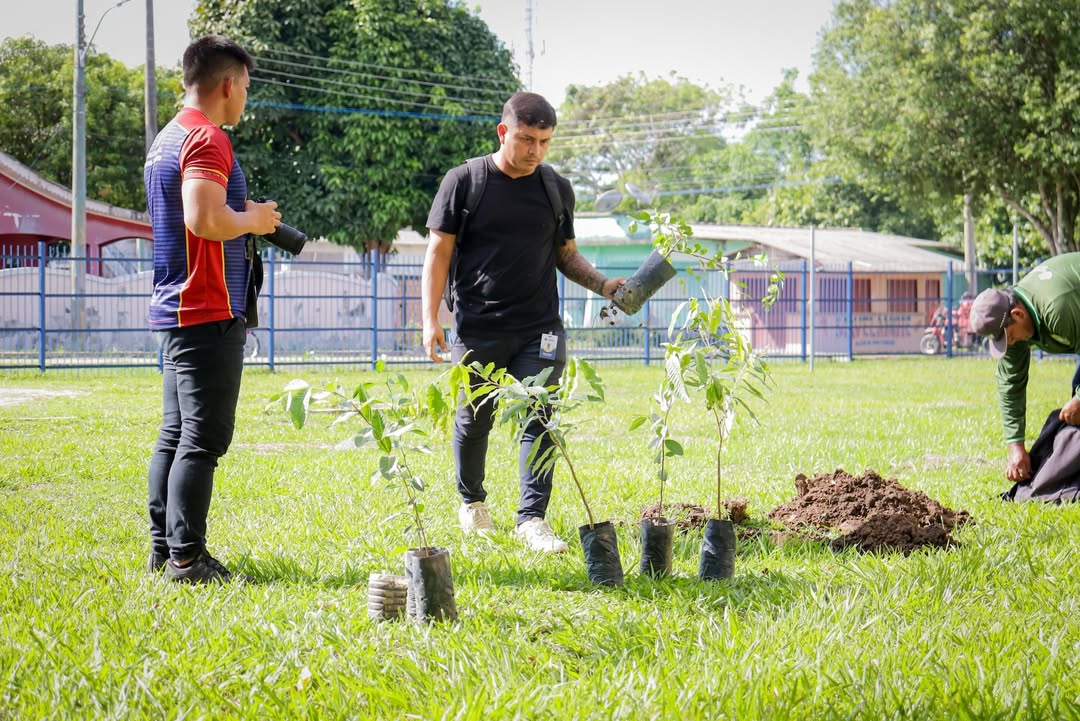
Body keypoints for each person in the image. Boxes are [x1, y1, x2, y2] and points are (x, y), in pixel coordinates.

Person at [421, 92, 623, 553]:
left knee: (541, 419)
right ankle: (472, 502)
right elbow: (439, 252)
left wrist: (605, 284)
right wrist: (429, 318)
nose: (535, 150)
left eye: (545, 141)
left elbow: (566, 256)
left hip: (541, 327)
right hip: (479, 326)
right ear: (503, 132)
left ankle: (532, 519)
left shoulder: (555, 188)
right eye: (527, 139)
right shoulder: (465, 182)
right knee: (475, 419)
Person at [144, 35, 281, 583]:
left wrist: (245, 213)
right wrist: (252, 221)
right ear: (228, 85)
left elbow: (199, 211)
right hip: (207, 306)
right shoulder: (208, 139)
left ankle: (164, 548)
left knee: (175, 434)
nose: (245, 98)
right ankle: (187, 559)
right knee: (202, 440)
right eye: (245, 88)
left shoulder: (168, 138)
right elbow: (202, 219)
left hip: (177, 304)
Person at [969, 252, 1080, 484]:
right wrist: (1015, 445)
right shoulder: (1014, 318)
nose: (1010, 344)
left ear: (1017, 314)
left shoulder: (1057, 309)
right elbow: (1010, 385)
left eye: (1009, 337)